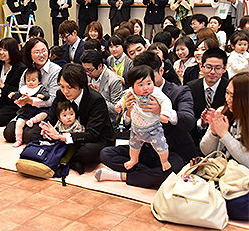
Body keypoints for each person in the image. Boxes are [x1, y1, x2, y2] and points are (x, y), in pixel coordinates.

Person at [98, 51, 197, 188]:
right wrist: (128, 111)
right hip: (143, 148)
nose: (145, 86)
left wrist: (163, 112)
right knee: (106, 153)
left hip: (170, 150)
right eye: (140, 81)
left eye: (149, 80)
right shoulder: (134, 92)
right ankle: (149, 174)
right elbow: (124, 125)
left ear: (161, 71)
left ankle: (124, 176)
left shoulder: (179, 91)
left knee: (173, 169)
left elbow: (189, 122)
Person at [39, 63, 115, 174]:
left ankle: (63, 157)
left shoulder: (95, 100)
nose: (65, 91)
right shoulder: (61, 94)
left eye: (69, 87)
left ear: (81, 85)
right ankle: (70, 160)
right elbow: (51, 118)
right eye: (62, 86)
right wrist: (46, 129)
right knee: (33, 135)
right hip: (67, 132)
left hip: (95, 139)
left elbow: (92, 134)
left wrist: (60, 137)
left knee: (86, 152)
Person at [200, 72, 249, 221]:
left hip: (242, 179)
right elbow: (206, 150)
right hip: (220, 172)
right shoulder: (223, 111)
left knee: (239, 206)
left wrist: (225, 135)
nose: (228, 99)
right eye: (227, 93)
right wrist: (214, 133)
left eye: (233, 96)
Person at [112, 65, 173, 172]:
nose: (145, 88)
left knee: (161, 146)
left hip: (153, 128)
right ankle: (133, 160)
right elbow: (124, 99)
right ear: (132, 86)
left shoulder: (156, 92)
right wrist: (119, 105)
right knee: (133, 147)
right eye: (140, 85)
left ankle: (164, 161)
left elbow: (166, 102)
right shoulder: (130, 92)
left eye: (149, 83)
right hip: (136, 129)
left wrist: (164, 114)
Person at [4, 37, 61, 144]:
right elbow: (21, 91)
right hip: (27, 111)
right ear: (29, 54)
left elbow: (53, 100)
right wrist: (20, 101)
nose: (41, 55)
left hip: (46, 112)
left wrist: (31, 101)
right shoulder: (27, 71)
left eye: (44, 51)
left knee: (29, 136)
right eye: (37, 52)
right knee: (9, 134)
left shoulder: (56, 71)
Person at [187, 48, 228, 150]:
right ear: (201, 66)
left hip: (221, 143)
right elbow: (186, 117)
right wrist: (201, 122)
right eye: (208, 67)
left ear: (225, 68)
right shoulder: (190, 87)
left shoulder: (229, 89)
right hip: (193, 141)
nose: (212, 72)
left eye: (218, 68)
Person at [81, 50, 123, 128]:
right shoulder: (88, 76)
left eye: (90, 70)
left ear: (100, 66)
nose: (87, 73)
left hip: (107, 122)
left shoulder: (114, 80)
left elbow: (116, 110)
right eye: (85, 70)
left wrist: (98, 97)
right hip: (89, 118)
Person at [9, 68, 50, 147]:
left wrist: (43, 96)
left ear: (39, 81)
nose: (30, 82)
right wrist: (13, 94)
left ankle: (32, 121)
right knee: (18, 123)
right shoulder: (24, 89)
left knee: (44, 114)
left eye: (33, 80)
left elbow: (47, 95)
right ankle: (18, 140)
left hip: (37, 111)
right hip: (26, 112)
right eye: (28, 80)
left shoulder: (41, 88)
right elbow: (18, 94)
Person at [0, 38, 26, 127]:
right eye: (0, 49)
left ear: (12, 51)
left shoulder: (21, 68)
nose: (1, 52)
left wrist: (3, 86)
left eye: (5, 50)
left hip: (13, 104)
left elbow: (21, 90)